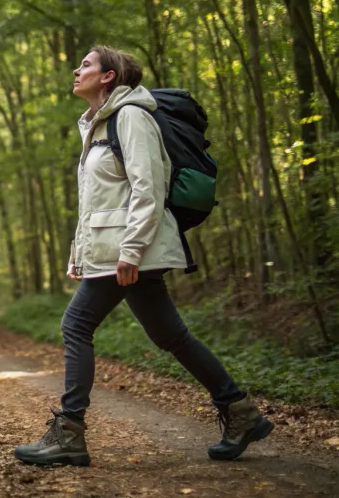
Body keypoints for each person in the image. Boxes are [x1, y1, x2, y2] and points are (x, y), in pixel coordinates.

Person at [14, 46, 273, 467]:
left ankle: (69, 434)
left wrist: (131, 251)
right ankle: (240, 412)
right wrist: (79, 254)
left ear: (109, 76)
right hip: (117, 249)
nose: (76, 69)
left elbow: (147, 187)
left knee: (76, 326)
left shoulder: (130, 116)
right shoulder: (99, 123)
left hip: (131, 249)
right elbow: (100, 199)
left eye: (86, 65)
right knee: (171, 336)